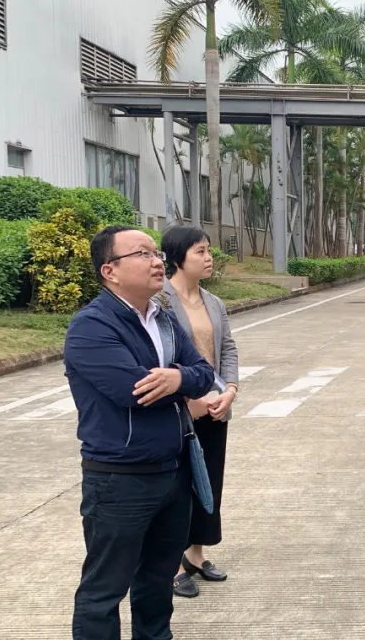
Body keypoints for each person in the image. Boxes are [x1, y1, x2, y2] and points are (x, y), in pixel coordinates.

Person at [65, 226, 215, 640]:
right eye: (143, 254)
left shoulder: (163, 319)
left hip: (173, 471)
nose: (157, 261)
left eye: (156, 253)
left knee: (157, 581)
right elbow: (135, 391)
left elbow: (204, 374)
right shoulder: (91, 326)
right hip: (120, 479)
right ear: (110, 270)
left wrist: (177, 378)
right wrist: (181, 383)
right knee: (105, 588)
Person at [155, 226, 240, 598]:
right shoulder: (159, 301)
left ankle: (196, 553)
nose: (209, 258)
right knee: (177, 487)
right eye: (200, 251)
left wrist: (231, 390)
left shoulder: (213, 302)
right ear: (178, 258)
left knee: (209, 481)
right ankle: (172, 563)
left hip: (215, 407)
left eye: (208, 251)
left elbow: (228, 349)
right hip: (180, 409)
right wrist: (186, 400)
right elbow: (159, 358)